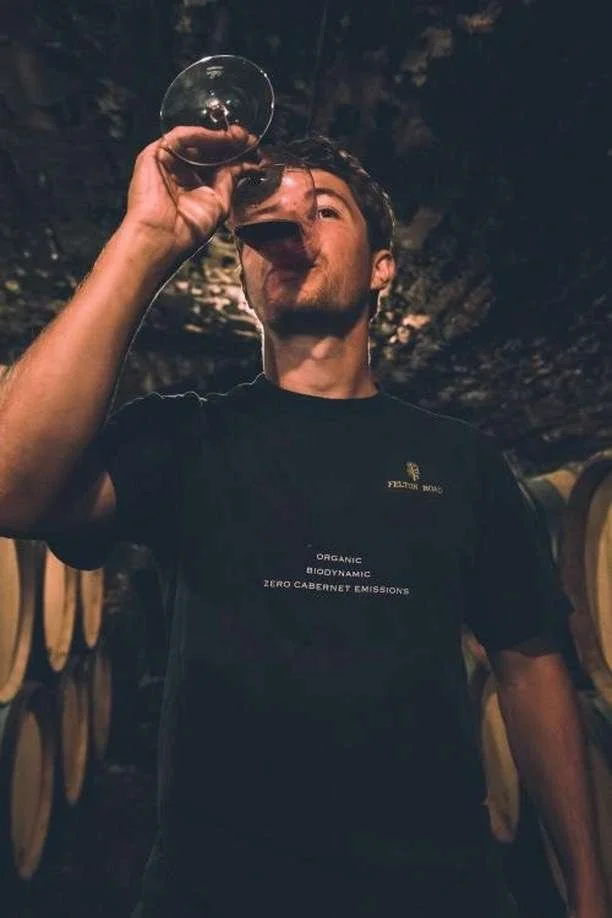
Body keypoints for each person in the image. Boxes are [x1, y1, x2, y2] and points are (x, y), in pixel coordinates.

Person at [0, 129, 607, 918]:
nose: (292, 230)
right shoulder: (182, 437)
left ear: (382, 267)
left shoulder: (462, 460)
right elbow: (12, 490)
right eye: (269, 221)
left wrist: (588, 886)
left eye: (324, 210)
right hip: (216, 896)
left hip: (434, 891)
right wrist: (146, 239)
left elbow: (529, 666)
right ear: (245, 268)